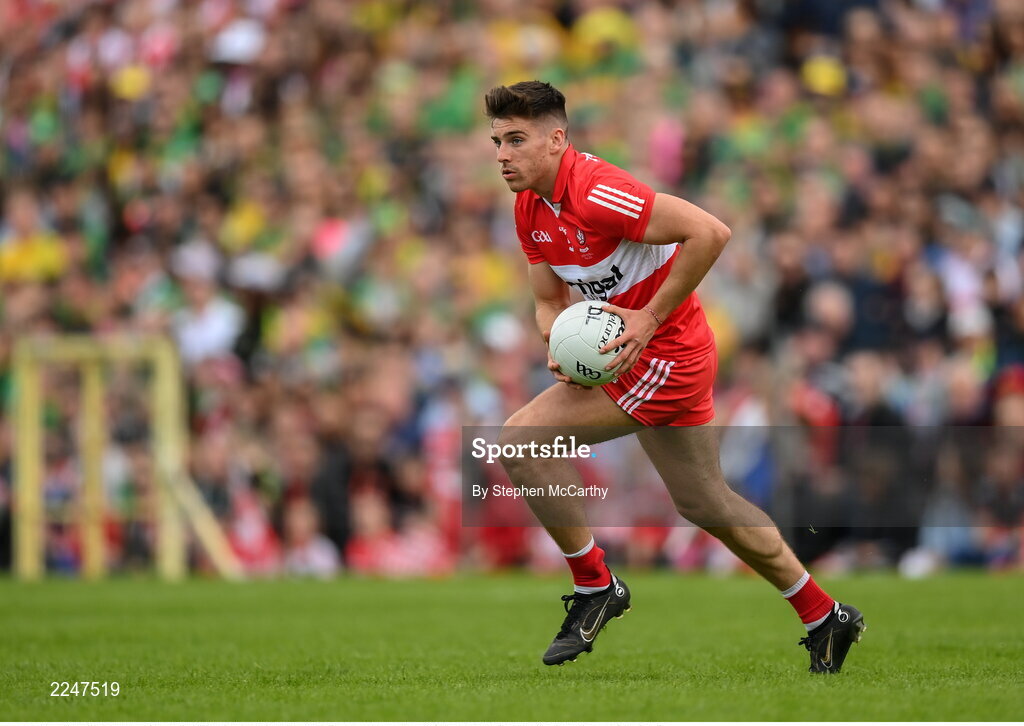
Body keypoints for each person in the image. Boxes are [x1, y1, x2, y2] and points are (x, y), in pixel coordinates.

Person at [485, 81, 866, 673]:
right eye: (497, 142)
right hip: (639, 356)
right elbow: (545, 299)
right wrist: (557, 341)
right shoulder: (530, 208)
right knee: (705, 502)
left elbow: (711, 232)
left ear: (557, 139)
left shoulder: (598, 191)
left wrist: (648, 316)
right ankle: (826, 615)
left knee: (519, 442)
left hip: (668, 356)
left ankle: (596, 586)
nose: (503, 154)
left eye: (517, 139)